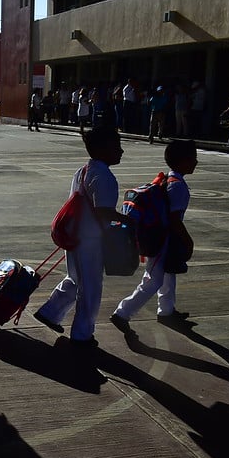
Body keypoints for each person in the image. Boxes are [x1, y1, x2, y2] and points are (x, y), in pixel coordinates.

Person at [33, 127, 129, 347]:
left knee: (76, 279)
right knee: (91, 288)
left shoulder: (84, 170)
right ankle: (82, 335)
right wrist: (129, 222)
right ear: (102, 149)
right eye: (116, 147)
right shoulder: (104, 176)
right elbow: (104, 213)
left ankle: (51, 312)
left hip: (75, 235)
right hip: (89, 241)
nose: (121, 151)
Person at [110, 140, 197, 333]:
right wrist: (187, 240)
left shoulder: (168, 179)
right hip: (161, 237)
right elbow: (174, 219)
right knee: (153, 279)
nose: (196, 162)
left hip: (157, 234)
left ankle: (166, 310)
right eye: (193, 158)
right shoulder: (178, 186)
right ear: (183, 161)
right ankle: (122, 313)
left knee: (167, 272)